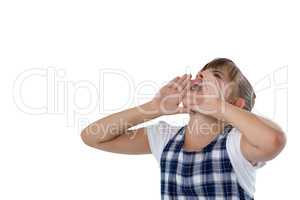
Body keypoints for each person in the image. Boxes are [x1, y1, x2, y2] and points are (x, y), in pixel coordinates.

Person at [81, 58, 286, 199]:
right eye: (201, 72)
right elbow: (92, 137)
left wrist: (218, 107)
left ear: (235, 104)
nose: (201, 75)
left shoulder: (237, 144)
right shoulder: (165, 138)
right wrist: (153, 108)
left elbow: (274, 140)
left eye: (216, 75)